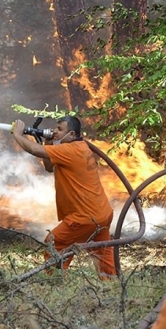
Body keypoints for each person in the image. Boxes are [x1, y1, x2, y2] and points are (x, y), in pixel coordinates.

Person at [11, 116, 117, 279]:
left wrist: (18, 135)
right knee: (102, 254)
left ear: (72, 134)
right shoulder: (78, 147)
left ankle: (55, 282)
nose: (54, 131)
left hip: (84, 218)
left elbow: (34, 150)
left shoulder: (70, 151)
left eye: (60, 129)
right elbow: (48, 167)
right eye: (55, 128)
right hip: (101, 214)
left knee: (54, 242)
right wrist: (48, 142)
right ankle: (111, 285)